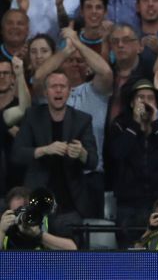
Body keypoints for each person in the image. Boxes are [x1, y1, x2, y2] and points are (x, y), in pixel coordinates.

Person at [11, 71, 98, 245]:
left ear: (69, 91)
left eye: (62, 86)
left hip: (70, 206)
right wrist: (44, 150)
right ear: (45, 92)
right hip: (36, 204)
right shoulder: (32, 116)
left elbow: (93, 161)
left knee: (69, 258)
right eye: (53, 86)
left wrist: (81, 153)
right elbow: (17, 154)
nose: (58, 91)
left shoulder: (82, 119)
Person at [107, 78, 158, 249]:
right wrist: (135, 124)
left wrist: (155, 122)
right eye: (141, 98)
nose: (146, 102)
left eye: (150, 98)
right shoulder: (120, 127)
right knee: (130, 252)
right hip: (128, 205)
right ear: (132, 103)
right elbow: (117, 153)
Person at [0, 185, 77, 250]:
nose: (22, 215)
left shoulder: (44, 221)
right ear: (8, 211)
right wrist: (1, 231)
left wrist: (39, 235)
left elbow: (72, 248)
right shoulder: (5, 224)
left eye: (26, 211)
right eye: (17, 211)